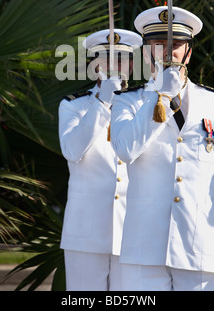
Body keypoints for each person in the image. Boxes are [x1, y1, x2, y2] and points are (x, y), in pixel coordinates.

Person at [110, 6, 214, 291]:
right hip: (143, 253)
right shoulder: (128, 102)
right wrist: (160, 95)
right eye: (159, 44)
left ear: (188, 51)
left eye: (176, 45)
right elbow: (125, 150)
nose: (168, 52)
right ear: (146, 51)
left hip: (200, 249)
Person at [58, 28, 142, 291]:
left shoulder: (144, 105)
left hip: (132, 232)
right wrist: (102, 102)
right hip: (85, 235)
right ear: (95, 65)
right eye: (107, 58)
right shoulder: (73, 106)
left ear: (131, 63)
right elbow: (72, 150)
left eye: (122, 58)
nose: (116, 65)